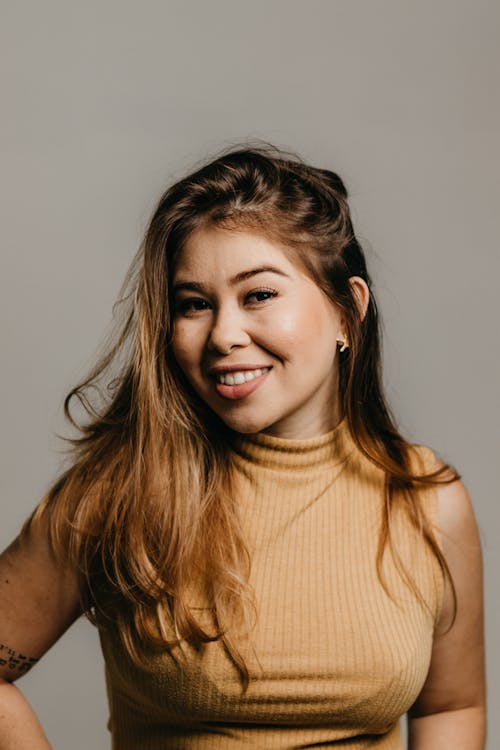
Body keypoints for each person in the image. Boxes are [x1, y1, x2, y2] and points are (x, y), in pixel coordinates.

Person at [0, 145, 486, 749]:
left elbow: (452, 706)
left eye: (258, 295)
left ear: (347, 313)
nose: (224, 335)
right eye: (195, 305)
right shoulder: (115, 492)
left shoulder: (429, 501)